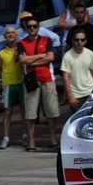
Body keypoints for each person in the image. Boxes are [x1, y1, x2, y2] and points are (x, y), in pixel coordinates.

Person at [17, 16, 60, 151]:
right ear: (26, 28)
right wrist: (41, 56)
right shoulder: (21, 42)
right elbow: (23, 60)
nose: (32, 29)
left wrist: (32, 60)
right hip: (31, 79)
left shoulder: (46, 40)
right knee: (30, 112)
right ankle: (31, 142)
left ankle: (53, 139)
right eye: (29, 27)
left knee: (51, 111)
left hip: (47, 78)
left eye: (34, 26)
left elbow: (50, 57)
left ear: (38, 27)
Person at [0, 27, 28, 149]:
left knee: (23, 110)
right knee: (8, 112)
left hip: (21, 83)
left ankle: (25, 135)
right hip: (8, 84)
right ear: (5, 36)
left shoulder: (21, 48)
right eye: (8, 33)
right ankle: (6, 137)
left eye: (12, 32)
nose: (10, 35)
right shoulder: (1, 53)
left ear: (16, 34)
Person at [61, 28, 93, 113]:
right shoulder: (67, 57)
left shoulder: (90, 53)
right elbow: (66, 78)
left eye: (82, 40)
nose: (79, 42)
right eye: (77, 39)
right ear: (72, 41)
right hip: (76, 96)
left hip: (90, 92)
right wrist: (70, 96)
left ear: (85, 41)